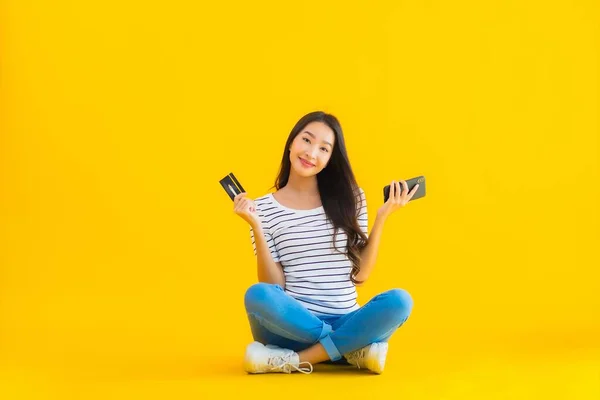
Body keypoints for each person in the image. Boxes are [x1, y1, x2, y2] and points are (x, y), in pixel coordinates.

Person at [233, 111, 419, 375]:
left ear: (330, 159)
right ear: (291, 143)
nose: (311, 153)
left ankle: (296, 360)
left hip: (345, 317)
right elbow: (273, 286)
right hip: (293, 325)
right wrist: (256, 225)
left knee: (400, 301)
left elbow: (362, 275)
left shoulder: (352, 198)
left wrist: (382, 216)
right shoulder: (262, 209)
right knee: (257, 295)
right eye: (306, 141)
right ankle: (351, 348)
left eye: (323, 149)